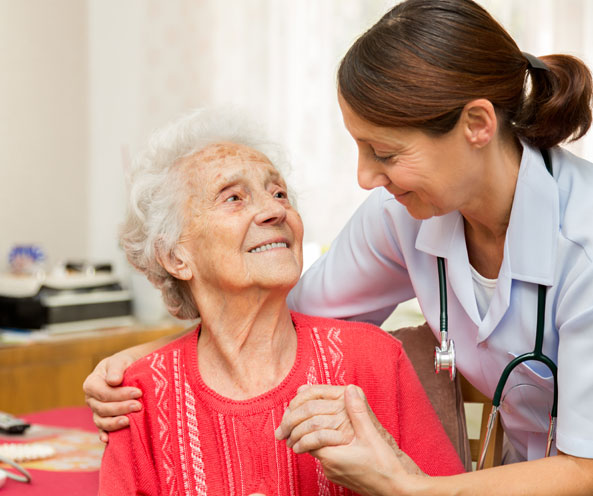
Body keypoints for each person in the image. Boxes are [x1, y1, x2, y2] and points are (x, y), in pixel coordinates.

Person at [84, 0, 593, 492]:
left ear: (477, 125)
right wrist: (156, 361)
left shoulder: (582, 239)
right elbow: (278, 316)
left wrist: (406, 490)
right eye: (359, 147)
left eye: (386, 152)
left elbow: (585, 468)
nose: (365, 176)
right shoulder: (401, 215)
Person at [96, 108, 463, 495]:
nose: (275, 210)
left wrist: (384, 467)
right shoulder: (137, 397)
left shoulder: (375, 360)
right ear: (175, 257)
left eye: (279, 193)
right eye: (234, 197)